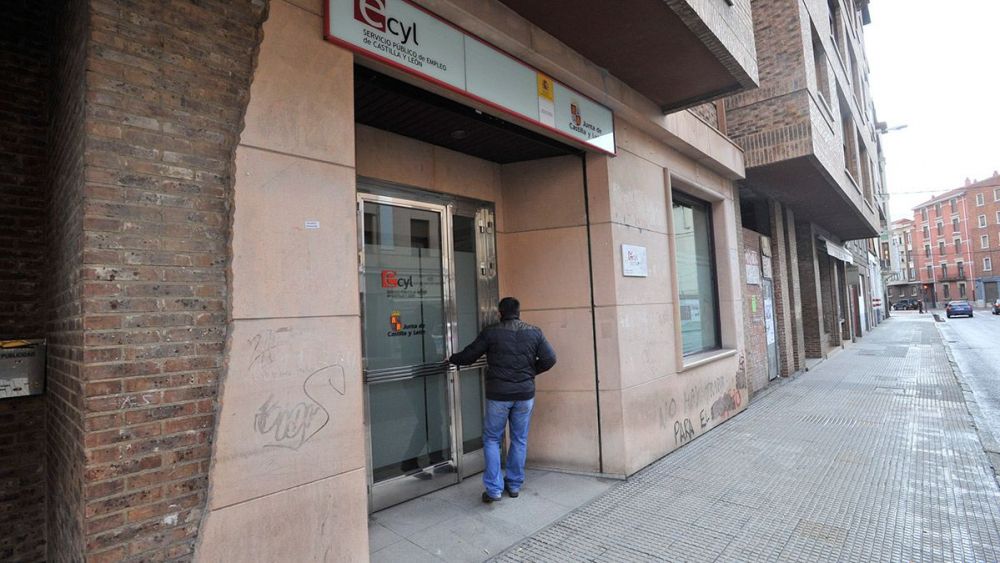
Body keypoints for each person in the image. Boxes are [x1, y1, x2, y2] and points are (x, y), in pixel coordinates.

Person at [449, 297, 557, 503]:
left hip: (498, 395)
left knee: (492, 439)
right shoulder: (534, 332)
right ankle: (514, 485)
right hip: (524, 395)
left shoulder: (491, 332)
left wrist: (452, 358)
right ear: (518, 312)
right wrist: (529, 373)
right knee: (519, 439)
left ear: (500, 313)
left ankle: (494, 489)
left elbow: (469, 355)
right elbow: (550, 359)